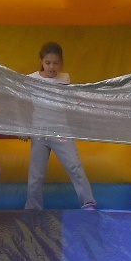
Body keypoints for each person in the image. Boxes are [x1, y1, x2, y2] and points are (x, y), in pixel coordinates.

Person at [25, 42, 96, 210]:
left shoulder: (65, 78)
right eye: (48, 63)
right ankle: (33, 208)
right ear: (41, 62)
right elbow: (24, 105)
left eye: (56, 63)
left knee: (74, 166)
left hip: (61, 130)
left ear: (61, 63)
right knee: (36, 174)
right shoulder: (31, 79)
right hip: (39, 131)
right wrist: (24, 128)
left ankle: (88, 203)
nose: (52, 67)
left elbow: (68, 102)